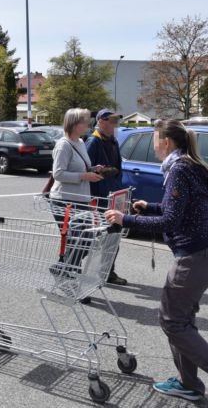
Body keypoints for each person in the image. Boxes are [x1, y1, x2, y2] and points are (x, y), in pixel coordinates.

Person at [104, 119, 208, 408]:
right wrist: (150, 207)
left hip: (196, 256)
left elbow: (171, 221)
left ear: (166, 142)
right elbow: (180, 211)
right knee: (180, 320)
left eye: (155, 140)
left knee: (171, 321)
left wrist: (125, 220)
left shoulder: (179, 169)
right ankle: (188, 384)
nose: (154, 145)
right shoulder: (186, 165)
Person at [49, 108, 104, 303]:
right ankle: (72, 283)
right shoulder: (63, 145)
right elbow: (58, 174)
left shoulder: (80, 142)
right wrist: (84, 176)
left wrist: (93, 169)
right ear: (73, 124)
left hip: (81, 199)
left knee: (86, 239)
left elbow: (80, 167)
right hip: (65, 199)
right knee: (77, 240)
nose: (87, 125)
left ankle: (61, 270)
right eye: (84, 122)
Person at [86, 109, 128, 286]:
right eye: (111, 121)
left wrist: (117, 181)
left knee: (114, 234)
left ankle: (107, 271)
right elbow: (87, 170)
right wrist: (102, 171)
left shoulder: (113, 141)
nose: (114, 125)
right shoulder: (93, 142)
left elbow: (118, 168)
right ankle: (100, 272)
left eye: (115, 121)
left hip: (114, 195)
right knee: (105, 236)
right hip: (99, 198)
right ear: (101, 122)